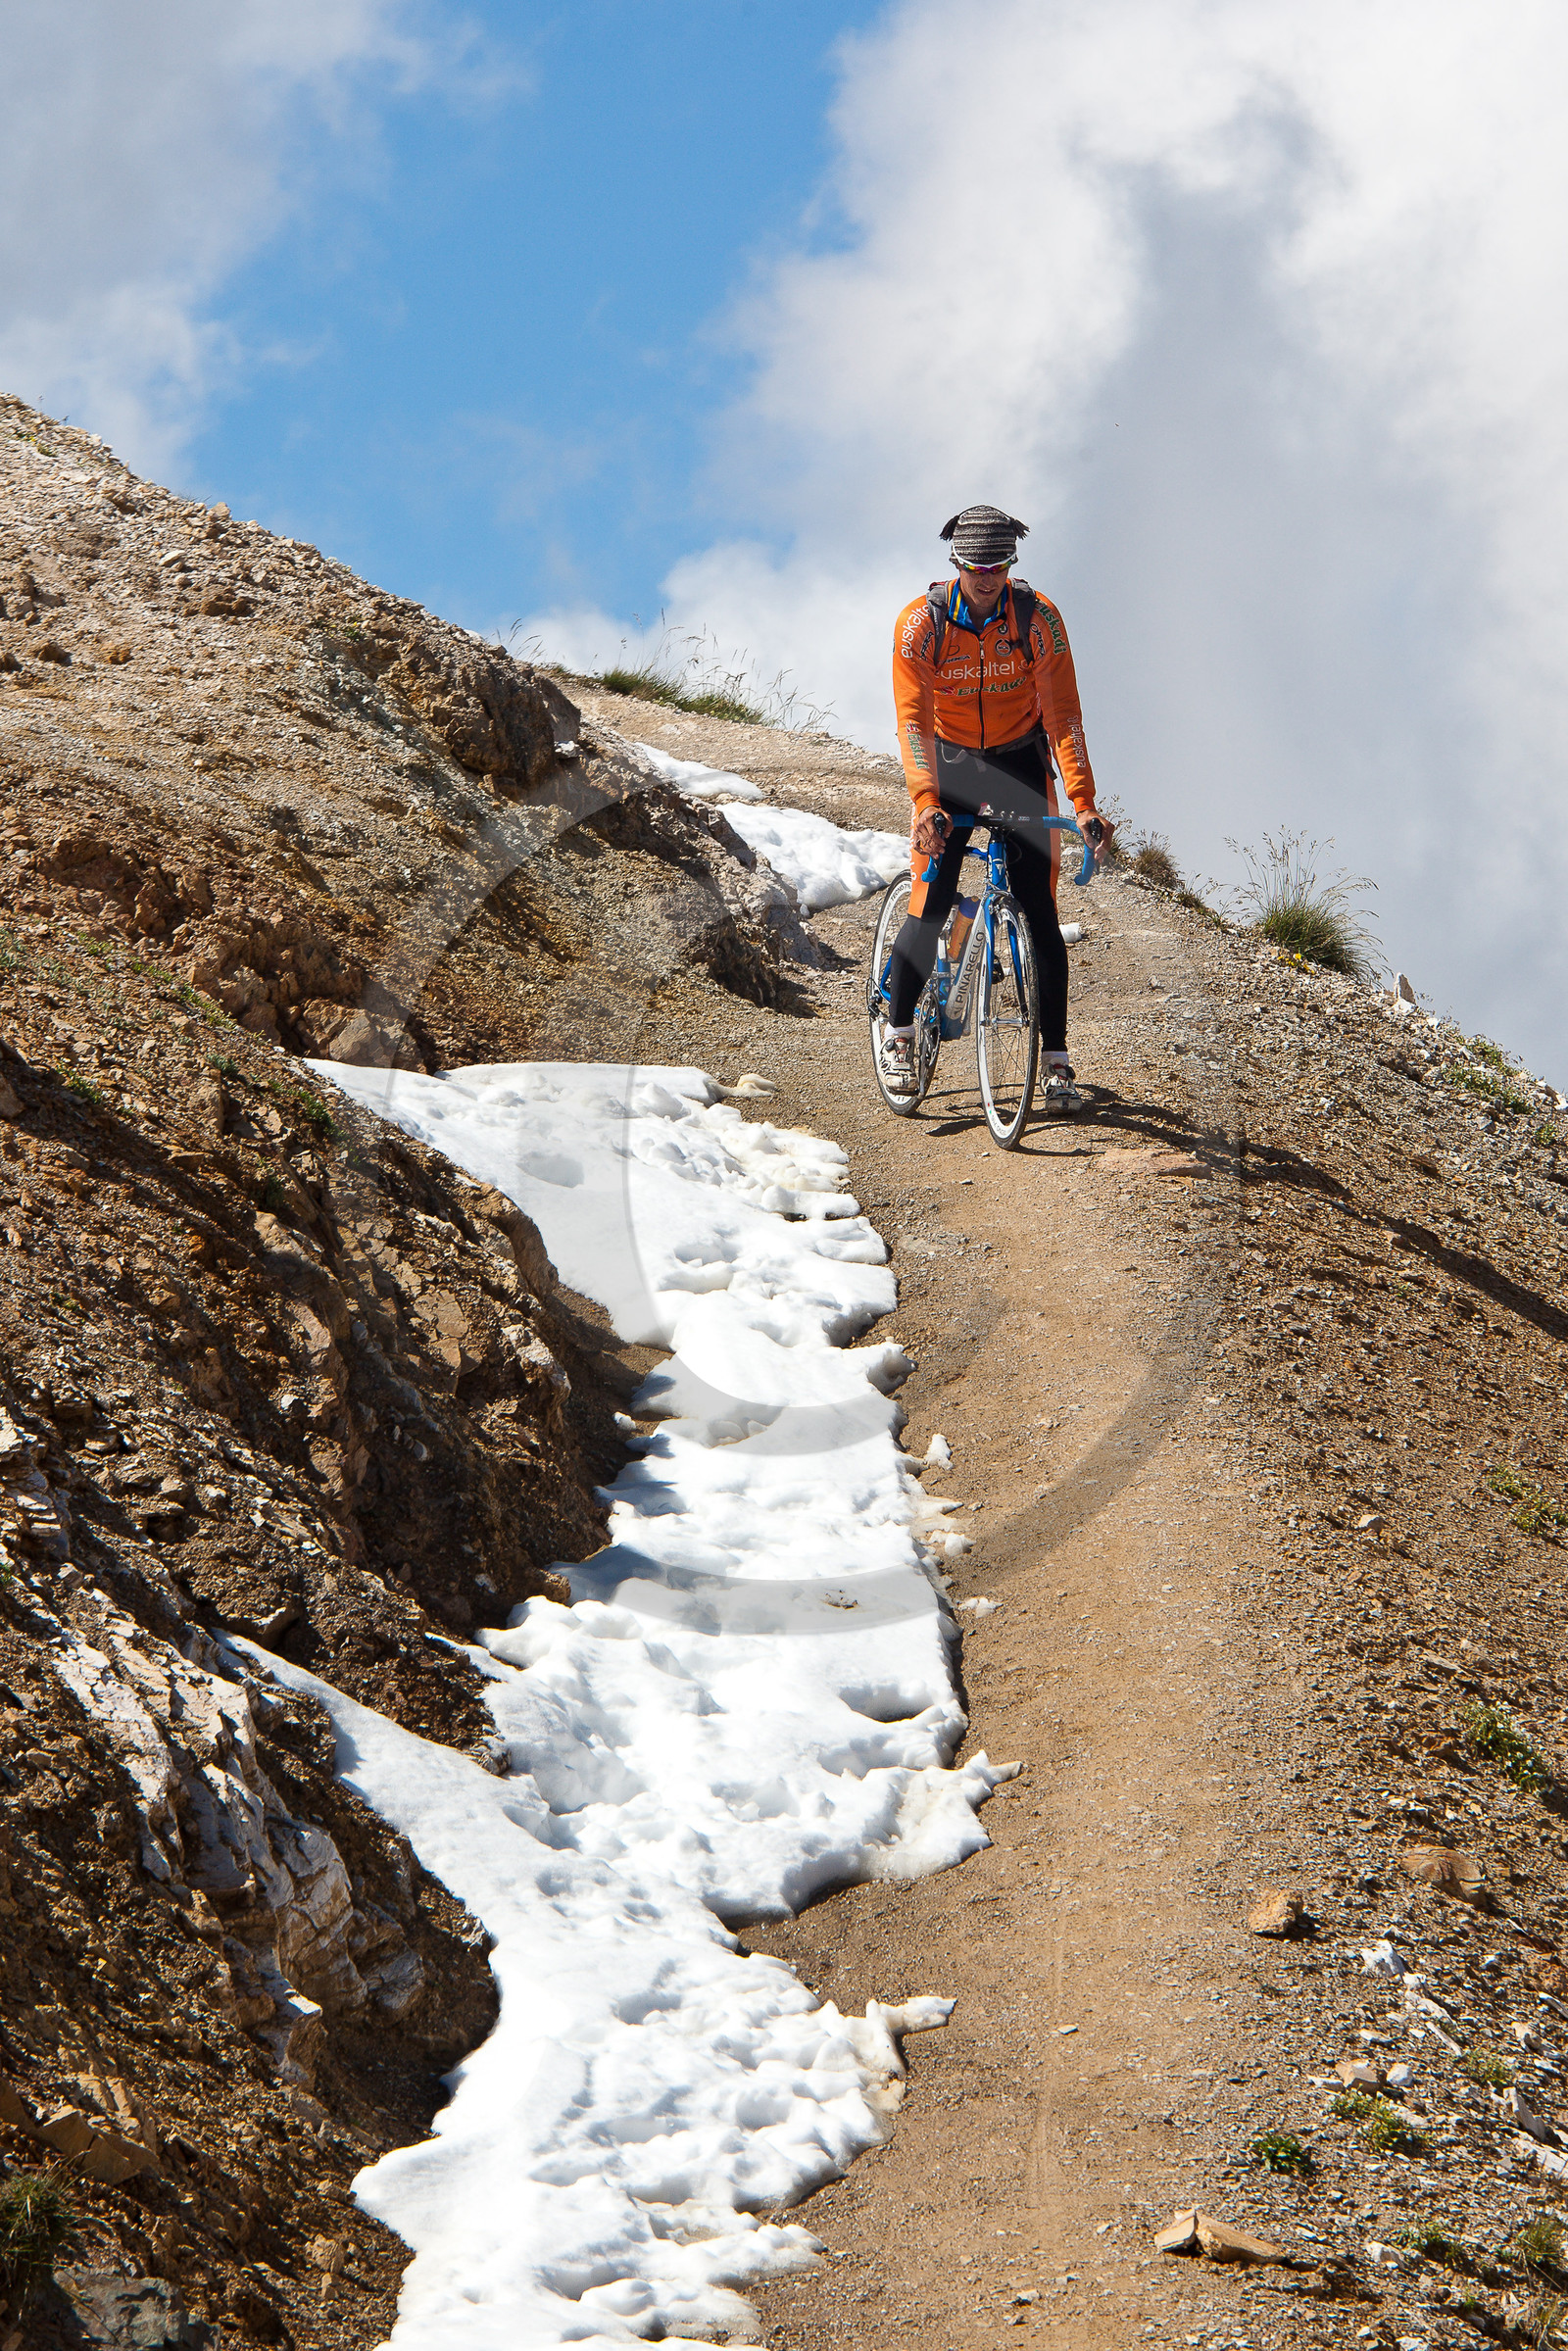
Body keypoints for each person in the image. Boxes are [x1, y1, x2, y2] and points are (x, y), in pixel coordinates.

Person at [881, 504, 1113, 1110]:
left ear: (1013, 563)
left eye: (999, 564)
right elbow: (912, 720)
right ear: (955, 563)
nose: (986, 577)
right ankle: (899, 1032)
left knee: (1040, 913)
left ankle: (1057, 1060)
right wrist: (926, 801)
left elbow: (1064, 714)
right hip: (951, 762)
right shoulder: (921, 625)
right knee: (931, 901)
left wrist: (1084, 802)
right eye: (974, 565)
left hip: (1017, 763)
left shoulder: (1039, 619)